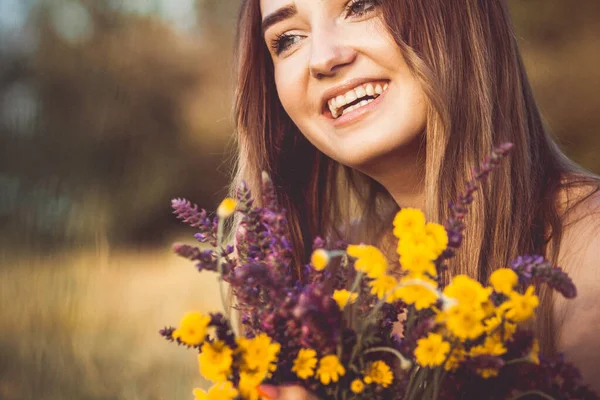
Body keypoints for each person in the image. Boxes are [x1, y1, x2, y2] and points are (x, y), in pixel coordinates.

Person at [230, 0, 600, 398]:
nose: (322, 58)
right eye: (287, 39)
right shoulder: (323, 287)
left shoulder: (592, 257)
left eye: (361, 5)